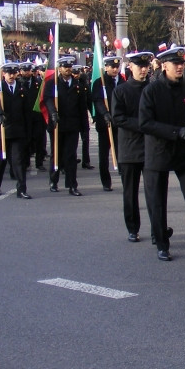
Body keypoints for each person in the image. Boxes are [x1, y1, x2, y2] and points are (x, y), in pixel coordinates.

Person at [139, 47, 185, 263]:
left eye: (182, 63)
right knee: (157, 200)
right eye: (174, 64)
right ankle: (161, 243)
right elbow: (145, 123)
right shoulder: (152, 91)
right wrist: (176, 132)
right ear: (163, 65)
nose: (179, 67)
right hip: (159, 151)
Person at [112, 52, 152, 242]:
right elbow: (118, 118)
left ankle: (157, 229)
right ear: (131, 67)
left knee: (154, 192)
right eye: (139, 66)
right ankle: (132, 227)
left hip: (151, 148)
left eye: (145, 66)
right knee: (130, 192)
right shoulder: (121, 90)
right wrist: (143, 124)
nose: (143, 70)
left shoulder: (153, 89)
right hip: (129, 149)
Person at [0, 62, 34, 198]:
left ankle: (21, 189)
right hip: (3, 130)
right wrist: (0, 114)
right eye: (9, 73)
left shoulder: (21, 89)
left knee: (18, 160)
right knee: (1, 160)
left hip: (18, 130)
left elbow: (27, 110)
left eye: (14, 73)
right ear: (3, 74)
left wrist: (28, 130)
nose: (12, 76)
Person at [43, 55, 86, 196]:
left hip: (72, 125)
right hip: (57, 124)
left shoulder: (77, 85)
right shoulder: (52, 83)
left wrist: (84, 128)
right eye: (65, 67)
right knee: (56, 153)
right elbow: (48, 100)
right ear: (59, 68)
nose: (68, 70)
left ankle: (72, 185)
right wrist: (53, 113)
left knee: (70, 156)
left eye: (69, 67)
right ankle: (53, 181)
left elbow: (82, 108)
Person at [92, 55, 123, 192]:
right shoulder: (100, 82)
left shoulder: (123, 81)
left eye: (117, 67)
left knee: (121, 153)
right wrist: (105, 113)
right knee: (104, 155)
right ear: (106, 67)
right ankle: (106, 181)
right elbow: (98, 100)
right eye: (112, 67)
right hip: (105, 124)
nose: (115, 69)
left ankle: (125, 178)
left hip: (120, 123)